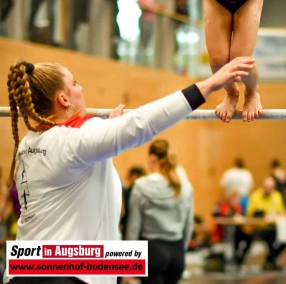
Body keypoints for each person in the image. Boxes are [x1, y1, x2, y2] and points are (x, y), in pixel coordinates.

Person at [4, 56, 254, 284]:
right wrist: (208, 86)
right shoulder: (71, 141)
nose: (82, 88)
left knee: (122, 259)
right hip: (62, 273)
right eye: (76, 83)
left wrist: (107, 131)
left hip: (26, 265)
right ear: (64, 99)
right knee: (123, 259)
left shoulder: (28, 144)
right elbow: (141, 124)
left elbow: (78, 168)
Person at [125, 139, 193, 284]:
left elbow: (133, 227)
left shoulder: (141, 186)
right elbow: (188, 225)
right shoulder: (186, 186)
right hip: (176, 252)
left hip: (152, 251)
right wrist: (182, 251)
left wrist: (129, 262)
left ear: (152, 158)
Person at [234, 176, 286, 270]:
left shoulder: (277, 196)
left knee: (284, 239)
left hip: (272, 227)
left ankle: (270, 261)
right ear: (263, 186)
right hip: (257, 228)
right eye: (267, 188)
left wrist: (274, 217)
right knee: (241, 235)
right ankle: (238, 260)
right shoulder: (255, 196)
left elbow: (282, 212)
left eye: (271, 188)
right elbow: (249, 214)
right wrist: (261, 215)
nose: (268, 190)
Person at [137, 0, 163, 65]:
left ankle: (145, 61)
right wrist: (154, 8)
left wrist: (158, 7)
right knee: (143, 40)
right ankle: (139, 61)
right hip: (144, 20)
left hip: (150, 20)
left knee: (148, 40)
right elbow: (145, 7)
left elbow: (152, 7)